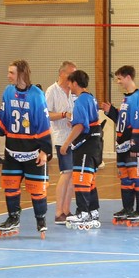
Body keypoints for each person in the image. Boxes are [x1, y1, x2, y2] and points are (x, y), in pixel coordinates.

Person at [0, 59, 53, 236]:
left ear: (22, 74)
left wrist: (45, 150)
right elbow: (3, 118)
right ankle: (13, 217)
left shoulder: (37, 95)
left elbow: (43, 123)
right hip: (12, 150)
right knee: (10, 186)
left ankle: (40, 219)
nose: (8, 76)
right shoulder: (8, 92)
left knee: (37, 190)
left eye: (11, 72)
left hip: (33, 152)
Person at [102, 65, 139, 224]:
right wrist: (111, 111)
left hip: (134, 145)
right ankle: (128, 209)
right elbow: (123, 122)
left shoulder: (138, 97)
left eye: (120, 78)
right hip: (123, 146)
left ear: (128, 77)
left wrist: (136, 146)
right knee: (126, 179)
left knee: (138, 177)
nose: (118, 82)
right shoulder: (126, 99)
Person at [61, 69, 103, 227]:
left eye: (70, 83)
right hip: (95, 143)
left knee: (81, 178)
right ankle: (93, 210)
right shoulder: (91, 98)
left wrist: (66, 143)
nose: (68, 86)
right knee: (89, 179)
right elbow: (87, 121)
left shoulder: (80, 101)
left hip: (86, 145)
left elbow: (80, 125)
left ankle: (83, 212)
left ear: (75, 83)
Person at [45, 61, 77, 223]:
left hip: (75, 137)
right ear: (62, 73)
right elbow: (47, 114)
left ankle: (66, 210)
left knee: (72, 175)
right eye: (71, 73)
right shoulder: (52, 91)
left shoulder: (74, 91)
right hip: (61, 137)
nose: (73, 76)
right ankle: (58, 212)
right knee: (66, 173)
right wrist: (64, 115)